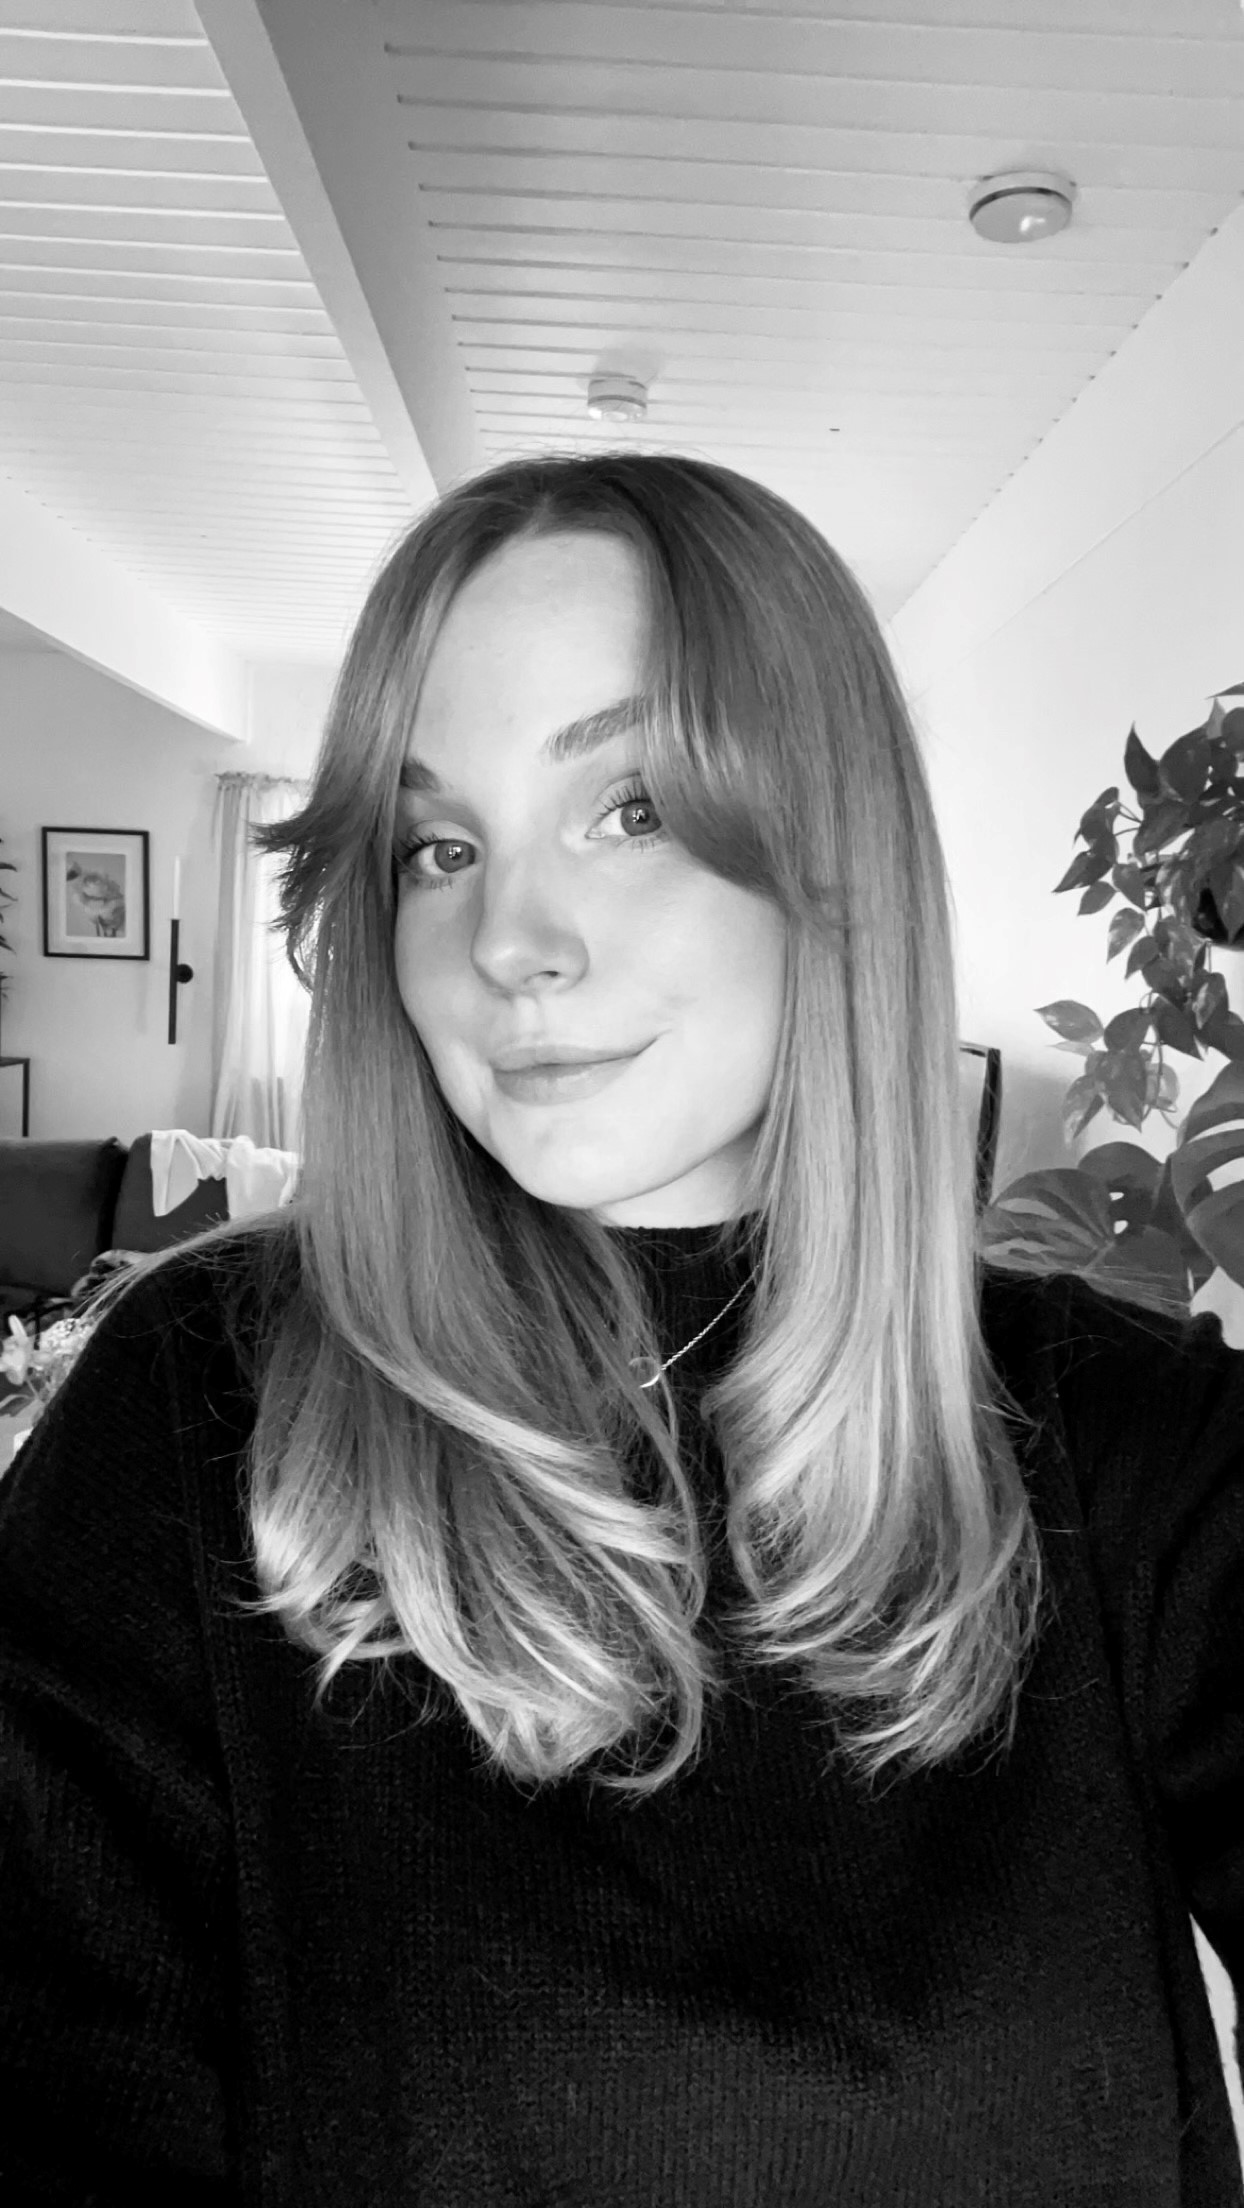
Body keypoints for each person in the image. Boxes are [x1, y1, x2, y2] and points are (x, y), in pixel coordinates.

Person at [1, 451, 1240, 2206]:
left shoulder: (1126, 1443)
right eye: (441, 847)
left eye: (633, 807)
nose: (509, 940)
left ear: (835, 859)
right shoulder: (204, 1405)